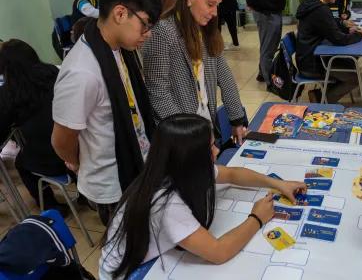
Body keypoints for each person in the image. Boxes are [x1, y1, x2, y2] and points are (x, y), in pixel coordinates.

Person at [99, 114, 307, 279]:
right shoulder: (167, 203)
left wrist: (279, 184)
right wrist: (257, 217)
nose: (217, 150)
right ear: (190, 158)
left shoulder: (175, 169)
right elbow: (218, 252)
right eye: (211, 147)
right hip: (130, 273)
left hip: (149, 255)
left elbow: (233, 174)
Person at [52, 0, 162, 225]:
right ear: (120, 13)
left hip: (140, 165)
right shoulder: (82, 72)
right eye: (145, 25)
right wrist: (81, 164)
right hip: (113, 184)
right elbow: (61, 140)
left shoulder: (121, 48)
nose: (148, 34)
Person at [143, 0, 247, 145]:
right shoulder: (163, 33)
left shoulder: (206, 29)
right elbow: (158, 93)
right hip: (180, 135)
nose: (214, 12)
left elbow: (225, 75)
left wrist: (237, 119)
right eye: (210, 4)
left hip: (205, 126)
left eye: (217, 6)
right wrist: (191, 136)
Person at [0, 39, 70, 215]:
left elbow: (2, 128)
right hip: (74, 145)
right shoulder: (52, 72)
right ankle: (83, 196)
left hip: (52, 156)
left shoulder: (10, 91)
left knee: (21, 164)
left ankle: (51, 206)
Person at [295, 0, 362, 104]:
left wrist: (346, 28)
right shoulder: (320, 10)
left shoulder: (312, 2)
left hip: (308, 57)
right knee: (354, 78)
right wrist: (359, 35)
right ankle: (320, 98)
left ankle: (319, 95)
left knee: (350, 66)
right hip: (312, 64)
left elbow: (329, 25)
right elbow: (340, 40)